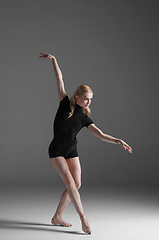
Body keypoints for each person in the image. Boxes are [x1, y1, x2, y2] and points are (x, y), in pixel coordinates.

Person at [39, 53, 132, 234]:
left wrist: (118, 141)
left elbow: (101, 135)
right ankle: (83, 218)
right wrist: (54, 60)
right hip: (57, 149)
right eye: (86, 98)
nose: (89, 102)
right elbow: (60, 78)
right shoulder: (64, 103)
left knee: (77, 183)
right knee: (69, 183)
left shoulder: (84, 117)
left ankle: (57, 216)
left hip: (71, 150)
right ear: (77, 97)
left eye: (91, 99)